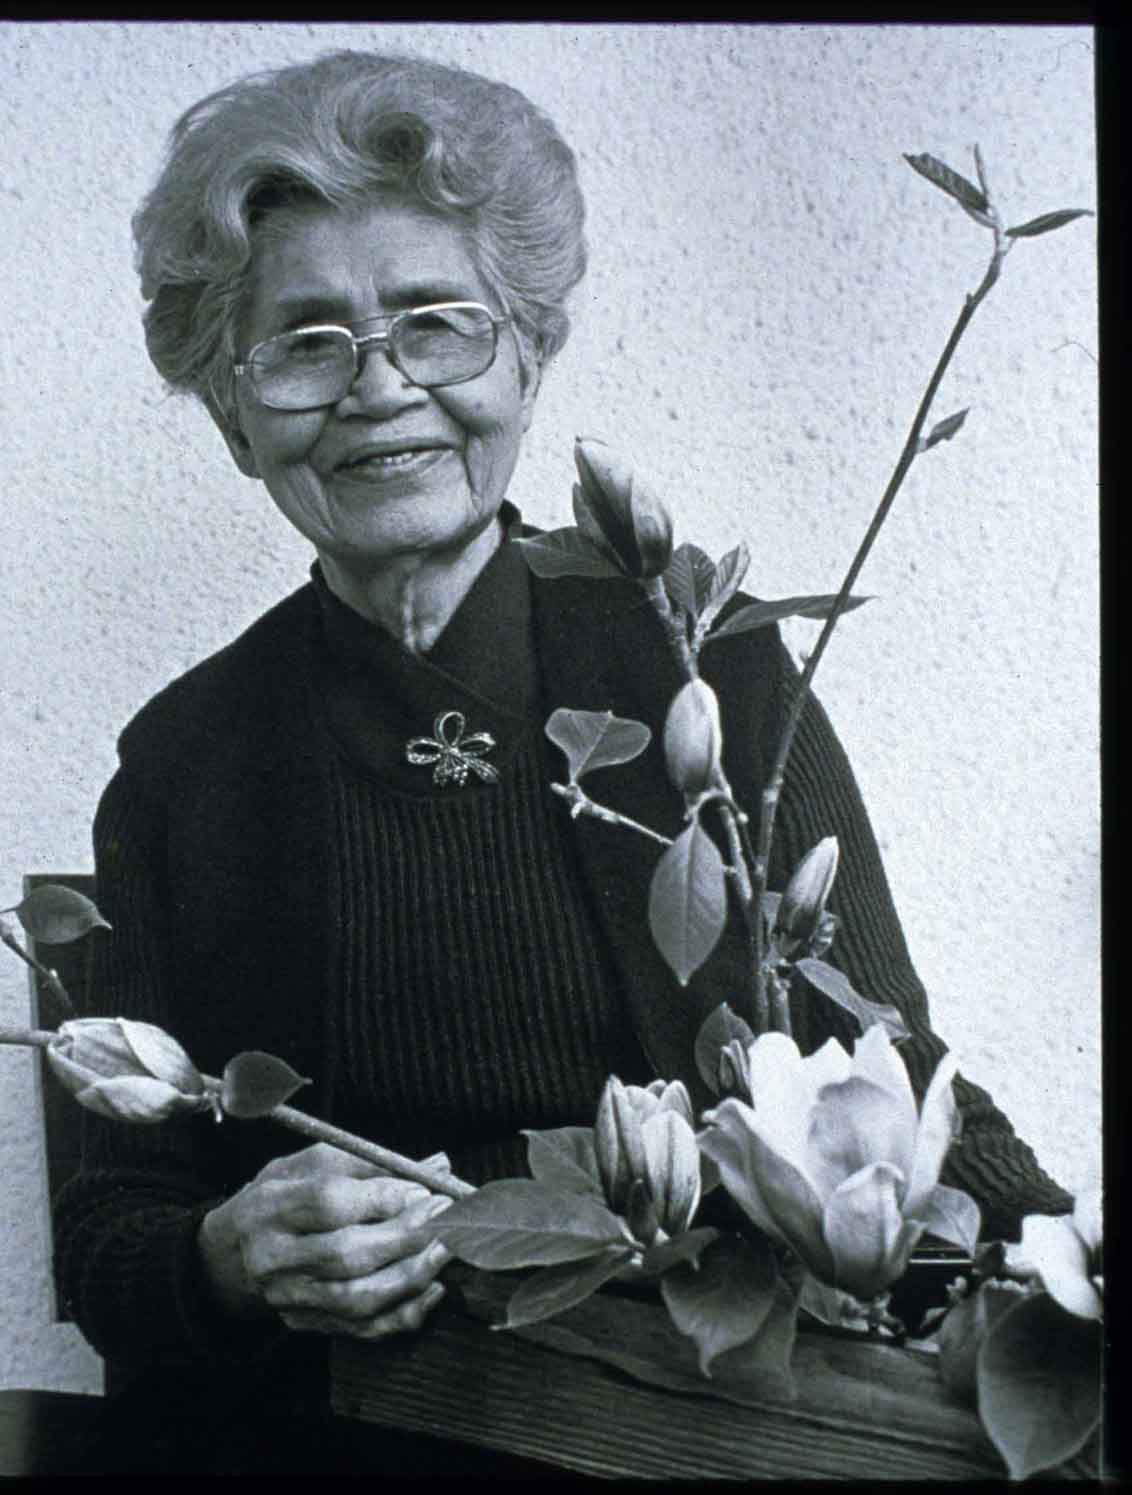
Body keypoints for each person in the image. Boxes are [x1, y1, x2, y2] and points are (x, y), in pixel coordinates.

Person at [52, 48, 1072, 1471]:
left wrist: (1068, 1278)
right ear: (233, 414)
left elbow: (881, 1084)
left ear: (529, 354)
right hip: (360, 1422)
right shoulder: (181, 765)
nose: (380, 387)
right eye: (305, 343)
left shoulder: (704, 671)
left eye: (438, 324)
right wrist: (225, 1255)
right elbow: (110, 1237)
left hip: (715, 1411)